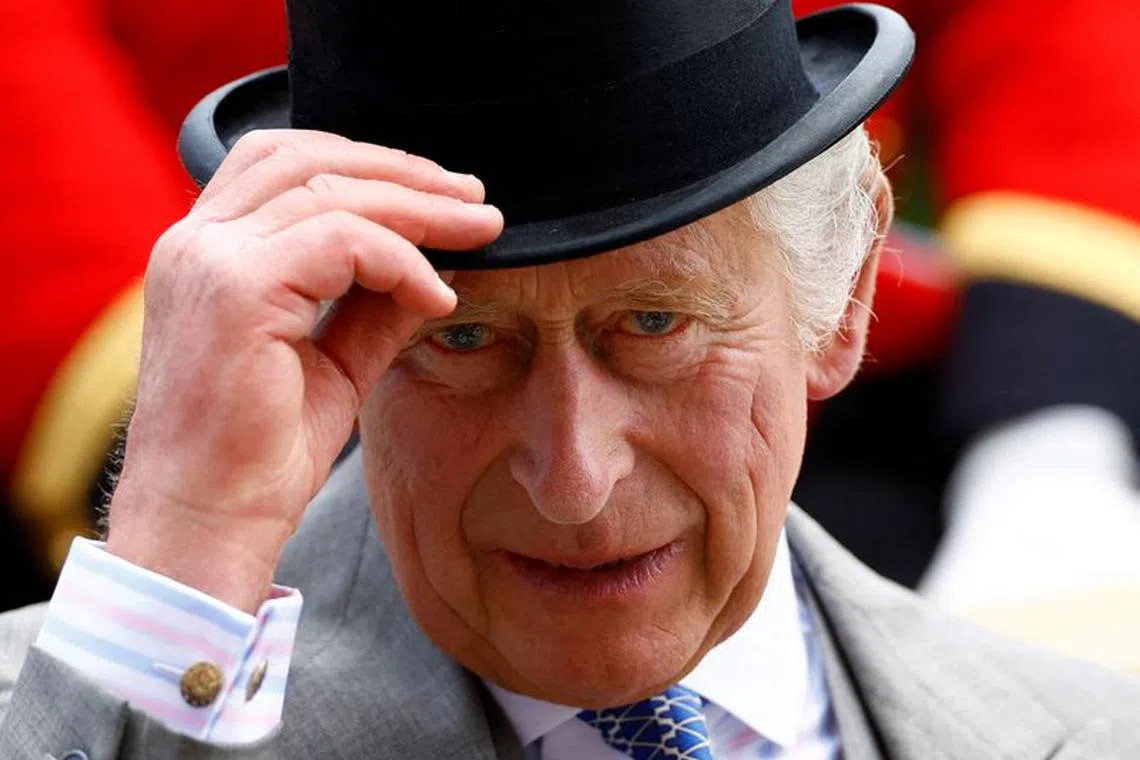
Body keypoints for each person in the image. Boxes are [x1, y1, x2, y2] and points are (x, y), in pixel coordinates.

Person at [2, 1, 1138, 758]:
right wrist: (189, 537)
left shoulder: (1087, 726)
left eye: (655, 323)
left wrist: (1053, 430)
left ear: (840, 300)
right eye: (459, 338)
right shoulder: (64, 711)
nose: (573, 479)